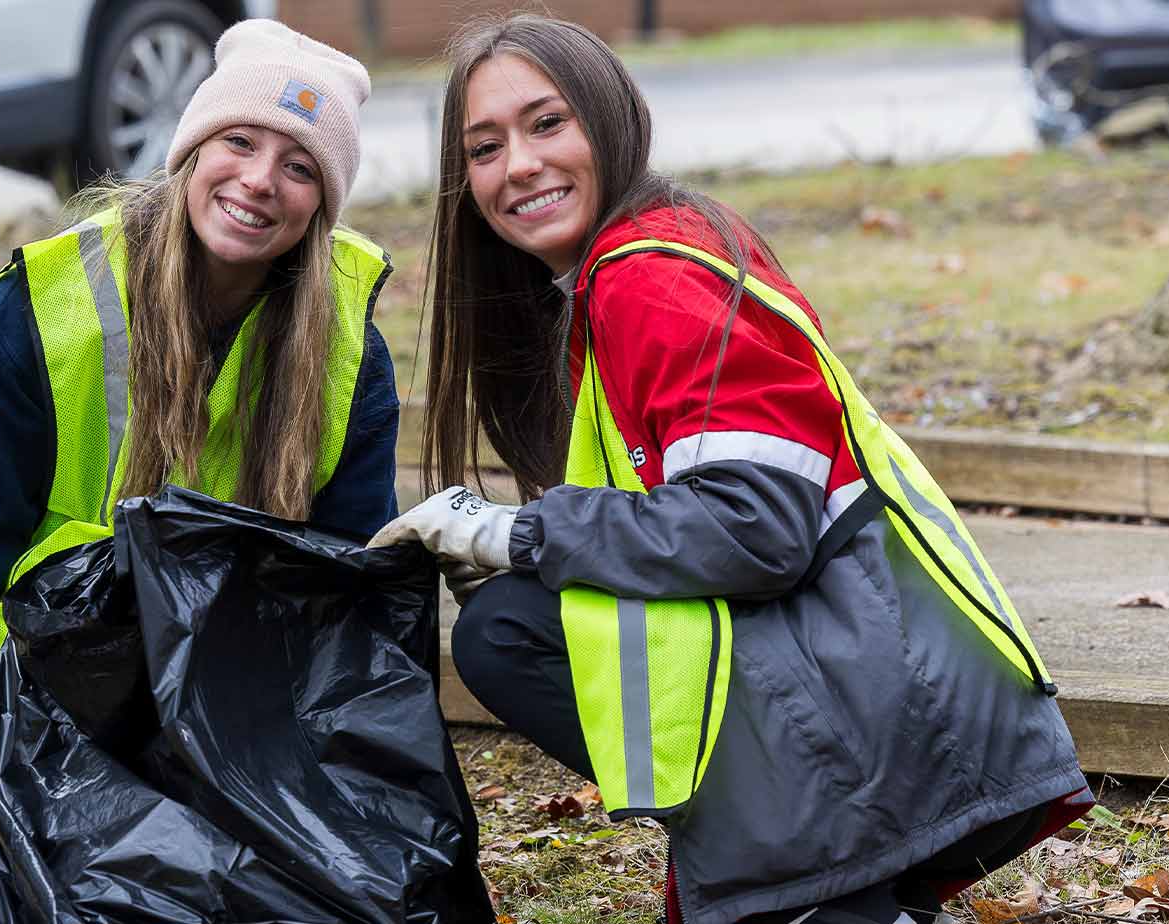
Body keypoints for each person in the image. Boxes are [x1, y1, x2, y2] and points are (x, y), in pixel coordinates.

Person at [369, 15, 1092, 924]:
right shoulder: (622, 270)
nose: (518, 164)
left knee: (508, 631)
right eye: (485, 146)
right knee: (522, 614)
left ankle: (826, 881)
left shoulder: (651, 276)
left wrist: (515, 533)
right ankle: (818, 882)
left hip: (880, 705)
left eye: (547, 123)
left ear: (613, 116)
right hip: (868, 678)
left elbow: (756, 524)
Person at [0, 19, 400, 923]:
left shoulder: (345, 347)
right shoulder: (45, 308)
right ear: (189, 148)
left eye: (301, 166)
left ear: (323, 200)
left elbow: (349, 602)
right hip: (51, 721)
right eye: (239, 140)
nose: (260, 181)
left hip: (239, 734)